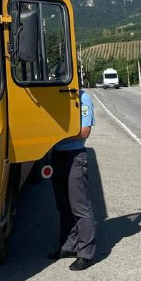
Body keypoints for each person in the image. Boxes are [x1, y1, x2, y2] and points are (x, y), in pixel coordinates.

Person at [48, 86, 96, 271]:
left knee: (80, 206)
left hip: (74, 155)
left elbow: (84, 131)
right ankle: (68, 246)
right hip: (57, 154)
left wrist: (58, 135)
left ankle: (86, 253)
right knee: (63, 205)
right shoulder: (56, 98)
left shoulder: (83, 98)